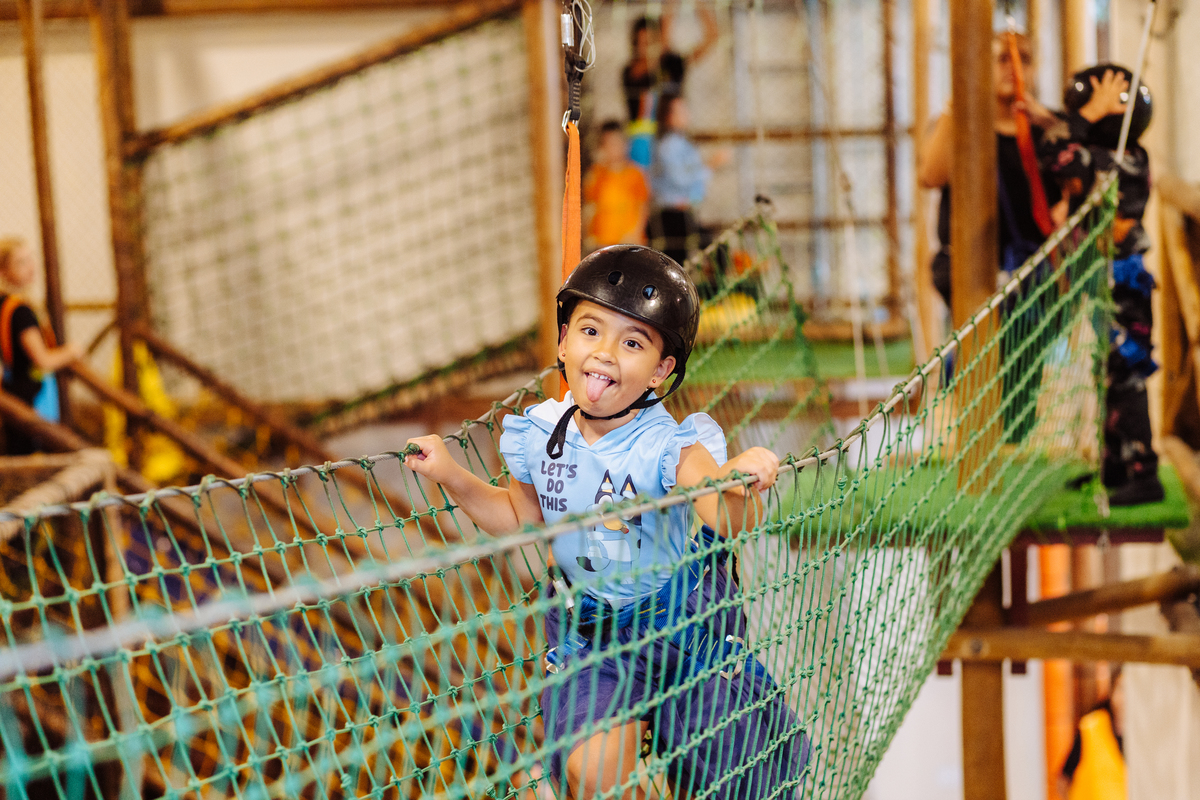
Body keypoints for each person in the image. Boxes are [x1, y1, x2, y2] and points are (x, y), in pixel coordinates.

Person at [405, 246, 809, 798]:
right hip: (590, 631)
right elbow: (524, 520)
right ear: (563, 340)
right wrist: (451, 475)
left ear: (661, 370)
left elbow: (721, 514)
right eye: (591, 331)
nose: (606, 354)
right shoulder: (539, 433)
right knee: (589, 773)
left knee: (731, 771)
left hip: (680, 623)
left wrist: (737, 479)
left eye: (634, 343)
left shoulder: (668, 442)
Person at [1054, 64, 1163, 505]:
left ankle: (1144, 471)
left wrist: (1085, 118)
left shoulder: (1117, 159)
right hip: (1104, 283)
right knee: (1106, 372)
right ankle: (1114, 463)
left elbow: (1061, 158)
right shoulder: (1123, 154)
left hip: (1123, 289)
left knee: (1126, 375)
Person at [917, 31, 1068, 308]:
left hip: (1042, 276)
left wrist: (1048, 123)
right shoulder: (955, 125)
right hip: (971, 275)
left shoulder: (1052, 125)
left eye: (1024, 59)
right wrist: (959, 99)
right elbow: (930, 175)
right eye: (1002, 59)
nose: (1014, 67)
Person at [0, 237, 81, 454]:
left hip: (13, 391)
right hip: (31, 397)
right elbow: (42, 359)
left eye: (30, 259)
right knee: (36, 450)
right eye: (20, 263)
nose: (30, 267)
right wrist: (71, 352)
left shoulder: (4, 304)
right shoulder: (21, 311)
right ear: (4, 271)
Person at [621, 9, 719, 169]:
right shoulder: (632, 71)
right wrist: (668, 16)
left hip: (672, 138)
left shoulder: (673, 64)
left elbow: (711, 39)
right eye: (642, 43)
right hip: (643, 143)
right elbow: (651, 64)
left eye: (651, 42)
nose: (647, 48)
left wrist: (701, 6)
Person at [649, 93, 731, 267]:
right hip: (673, 215)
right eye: (681, 110)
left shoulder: (681, 143)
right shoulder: (668, 146)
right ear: (668, 117)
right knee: (681, 262)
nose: (687, 114)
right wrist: (711, 165)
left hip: (684, 214)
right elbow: (680, 179)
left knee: (682, 262)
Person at [1059, 666, 1126, 800]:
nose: (1125, 697)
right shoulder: (1091, 727)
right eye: (1121, 688)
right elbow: (1063, 781)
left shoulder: (1146, 737)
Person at [584, 121, 650, 250]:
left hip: (628, 242)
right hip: (602, 241)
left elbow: (642, 207)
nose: (612, 148)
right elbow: (590, 206)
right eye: (607, 144)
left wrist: (635, 233)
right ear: (601, 147)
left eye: (616, 143)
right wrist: (588, 234)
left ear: (625, 144)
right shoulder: (595, 174)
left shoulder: (635, 174)